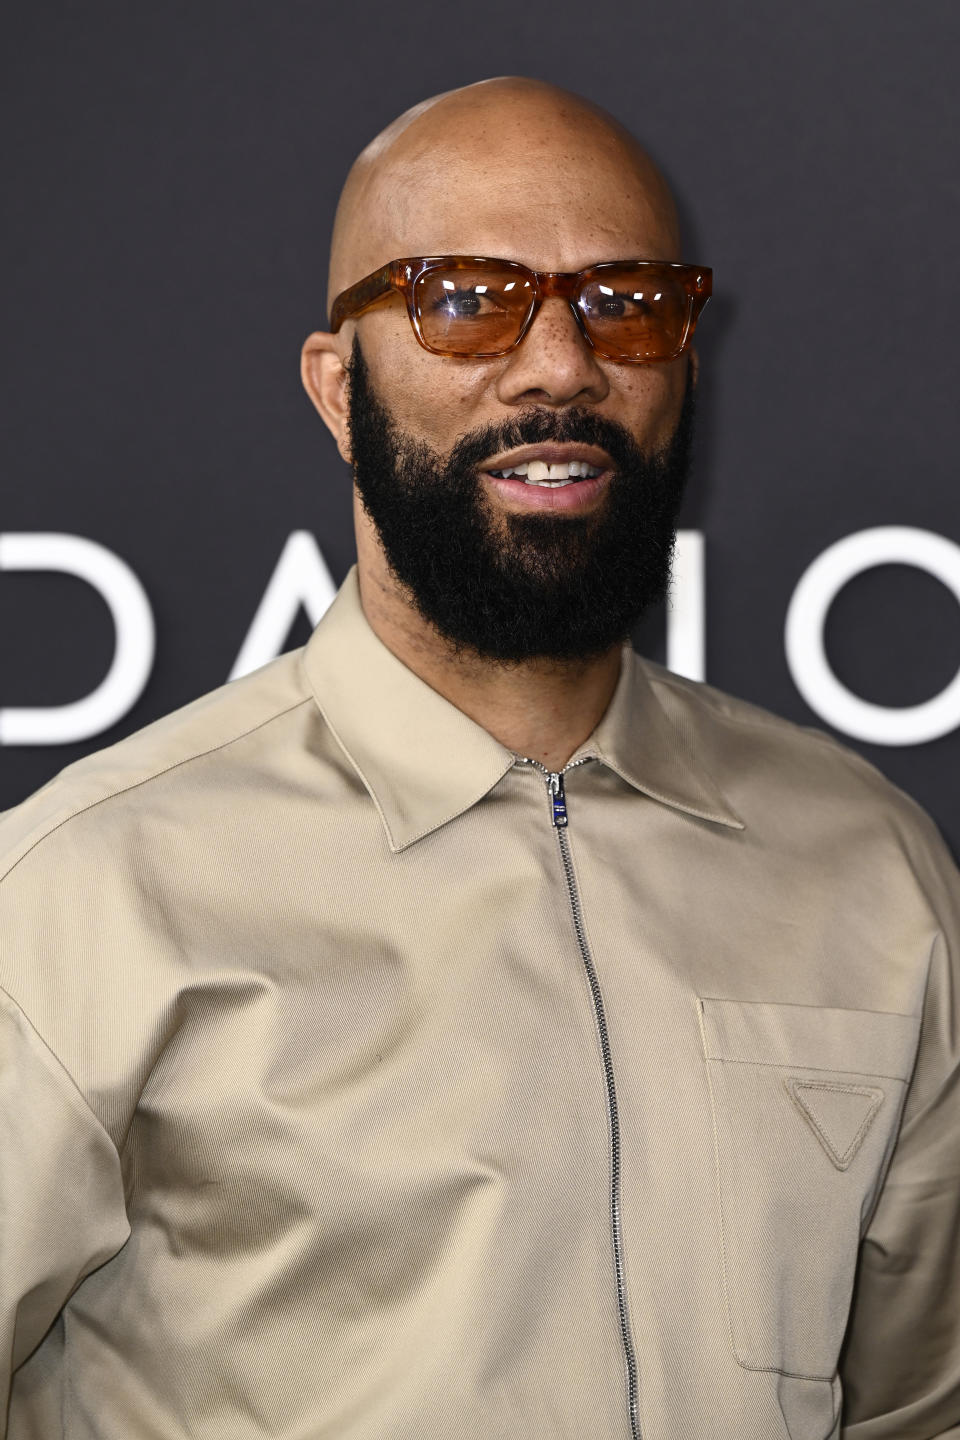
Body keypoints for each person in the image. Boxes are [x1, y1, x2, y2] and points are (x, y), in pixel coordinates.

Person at [1, 76, 957, 1440]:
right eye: (464, 300)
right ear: (341, 388)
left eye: (626, 302)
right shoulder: (88, 891)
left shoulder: (868, 868)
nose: (562, 365)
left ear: (686, 358)